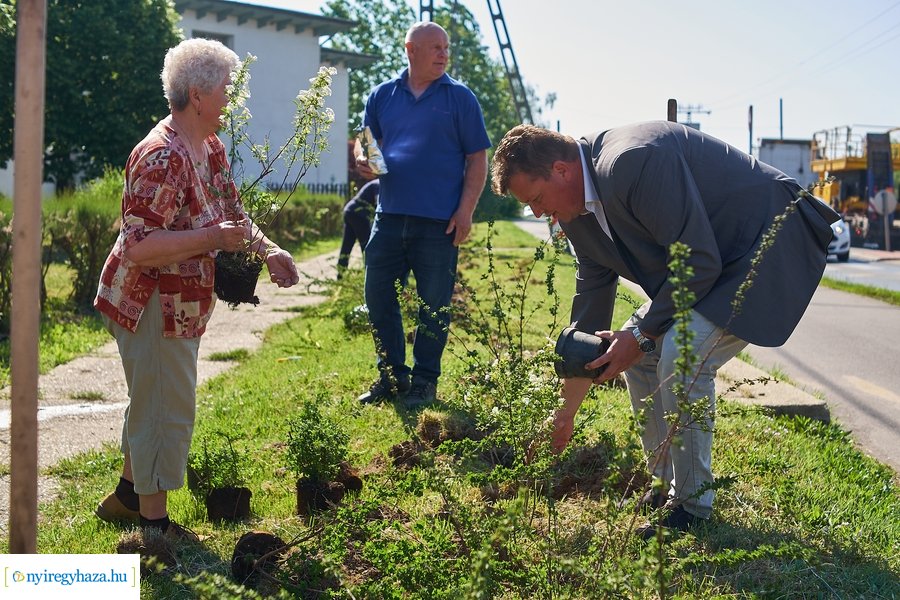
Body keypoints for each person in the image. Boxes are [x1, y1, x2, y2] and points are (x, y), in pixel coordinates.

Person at [490, 122, 838, 537]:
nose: (538, 213)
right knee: (640, 358)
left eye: (537, 199)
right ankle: (664, 485)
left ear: (562, 170)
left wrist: (640, 336)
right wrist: (563, 414)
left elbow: (699, 261)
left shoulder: (630, 162)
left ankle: (692, 508)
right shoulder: (576, 214)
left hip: (765, 241)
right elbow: (590, 319)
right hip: (711, 261)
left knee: (678, 353)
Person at [93, 38, 300, 540]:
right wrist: (211, 239)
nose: (232, 97)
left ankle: (126, 498)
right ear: (197, 94)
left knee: (152, 399)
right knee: (165, 406)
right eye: (226, 88)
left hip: (177, 305)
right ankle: (154, 525)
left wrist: (268, 249)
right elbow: (140, 246)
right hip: (150, 304)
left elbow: (231, 213)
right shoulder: (162, 156)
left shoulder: (208, 146)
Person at [354, 22, 491, 409]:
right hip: (389, 216)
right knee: (378, 297)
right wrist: (364, 159)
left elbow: (477, 158)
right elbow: (366, 143)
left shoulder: (460, 98)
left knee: (434, 305)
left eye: (446, 47)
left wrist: (465, 211)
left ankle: (425, 381)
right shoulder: (382, 95)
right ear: (410, 49)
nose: (443, 54)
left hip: (439, 222)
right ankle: (392, 375)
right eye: (435, 47)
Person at [336, 179, 379, 276]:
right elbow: (378, 206)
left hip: (349, 210)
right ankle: (369, 275)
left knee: (347, 245)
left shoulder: (375, 183)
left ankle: (340, 275)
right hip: (358, 213)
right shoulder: (379, 184)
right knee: (367, 245)